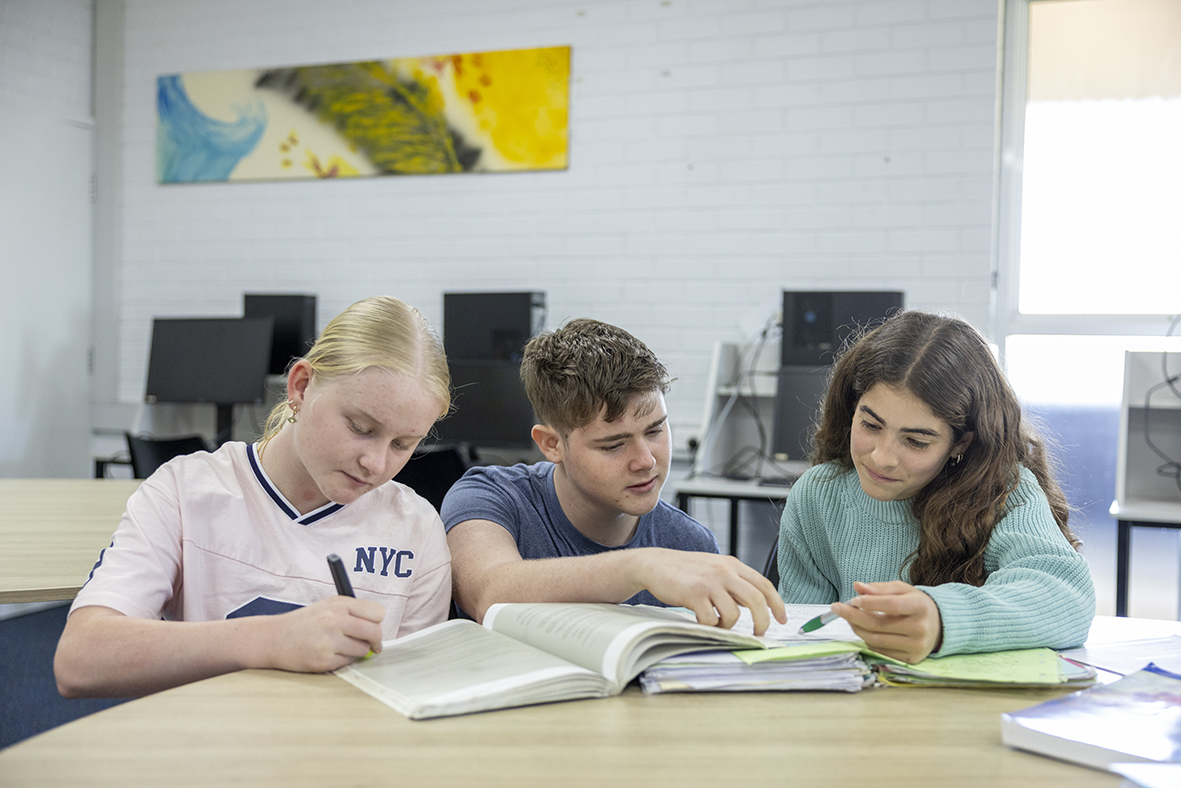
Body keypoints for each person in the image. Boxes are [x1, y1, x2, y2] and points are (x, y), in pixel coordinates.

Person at [55, 296, 454, 698]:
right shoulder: (185, 491)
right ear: (301, 387)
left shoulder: (416, 531)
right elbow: (80, 659)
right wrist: (270, 640)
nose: (376, 464)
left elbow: (418, 698)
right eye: (360, 428)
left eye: (403, 444)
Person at [777, 310, 1095, 663]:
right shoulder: (817, 495)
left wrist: (943, 620)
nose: (882, 458)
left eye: (916, 442)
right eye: (870, 425)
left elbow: (1068, 597)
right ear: (852, 409)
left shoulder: (1004, 492)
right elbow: (801, 634)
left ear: (961, 443)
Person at [441, 318, 786, 635]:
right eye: (613, 445)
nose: (646, 461)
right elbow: (489, 593)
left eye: (655, 430)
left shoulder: (689, 544)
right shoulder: (489, 496)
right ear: (552, 445)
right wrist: (640, 568)